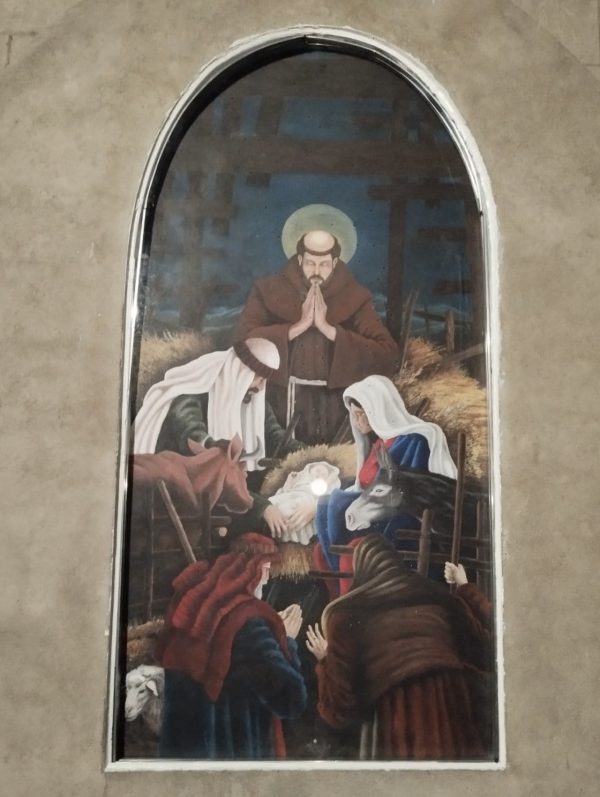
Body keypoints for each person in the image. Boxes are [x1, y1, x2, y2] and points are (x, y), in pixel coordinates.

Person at [305, 534, 493, 761]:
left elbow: (339, 708)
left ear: (361, 569)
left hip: (397, 715)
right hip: (451, 703)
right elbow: (483, 647)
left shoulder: (344, 615)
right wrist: (465, 587)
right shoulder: (439, 596)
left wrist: (325, 660)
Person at [234, 204, 400, 445]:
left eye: (324, 264)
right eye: (310, 263)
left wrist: (329, 330)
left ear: (335, 262)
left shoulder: (355, 296)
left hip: (336, 403)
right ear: (299, 259)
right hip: (280, 400)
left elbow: (388, 354)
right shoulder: (268, 289)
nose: (316, 271)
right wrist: (297, 328)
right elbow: (241, 341)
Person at [156, 534, 307, 760]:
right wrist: (289, 641)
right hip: (236, 754)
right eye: (266, 570)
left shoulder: (196, 601)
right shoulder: (250, 625)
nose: (267, 580)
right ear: (250, 569)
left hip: (187, 754)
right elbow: (291, 700)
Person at [132, 337, 302, 536]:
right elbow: (195, 440)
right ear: (241, 371)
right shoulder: (191, 394)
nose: (261, 387)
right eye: (259, 378)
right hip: (193, 497)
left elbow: (276, 436)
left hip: (234, 493)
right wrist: (261, 507)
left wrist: (312, 453)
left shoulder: (252, 398)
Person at [315, 373, 457, 571]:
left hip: (392, 519)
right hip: (370, 511)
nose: (357, 420)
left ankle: (345, 569)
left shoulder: (413, 442)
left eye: (362, 413)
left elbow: (408, 493)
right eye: (354, 414)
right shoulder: (378, 445)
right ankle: (339, 571)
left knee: (334, 502)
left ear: (378, 410)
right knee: (325, 510)